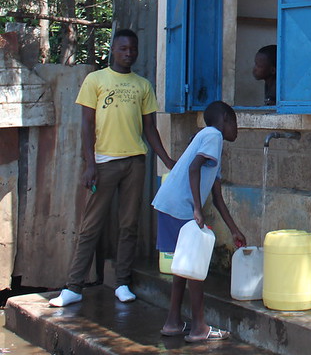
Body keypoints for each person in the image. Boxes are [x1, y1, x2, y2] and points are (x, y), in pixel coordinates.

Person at [50, 28, 175, 307]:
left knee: (129, 225)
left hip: (135, 162)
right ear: (113, 50)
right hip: (104, 163)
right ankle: (73, 287)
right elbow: (86, 125)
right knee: (91, 225)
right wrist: (89, 164)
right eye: (123, 49)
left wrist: (167, 160)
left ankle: (122, 283)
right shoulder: (95, 80)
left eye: (132, 49)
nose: (128, 53)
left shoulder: (143, 85)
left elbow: (150, 129)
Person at [152, 100, 245, 343]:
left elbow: (217, 197)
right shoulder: (213, 135)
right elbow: (194, 169)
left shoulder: (210, 142)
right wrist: (196, 208)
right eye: (235, 123)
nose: (237, 129)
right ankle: (199, 328)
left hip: (169, 203)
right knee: (194, 268)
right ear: (224, 119)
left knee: (184, 267)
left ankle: (172, 322)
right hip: (179, 206)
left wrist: (234, 230)